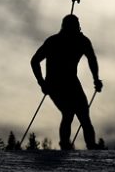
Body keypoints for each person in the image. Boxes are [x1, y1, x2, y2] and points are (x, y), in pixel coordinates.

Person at [30, 14, 103, 150]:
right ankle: (66, 144)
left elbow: (92, 59)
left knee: (83, 115)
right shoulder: (55, 41)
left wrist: (96, 79)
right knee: (69, 112)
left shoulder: (80, 41)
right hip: (54, 83)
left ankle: (91, 146)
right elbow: (34, 61)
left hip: (70, 82)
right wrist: (42, 82)